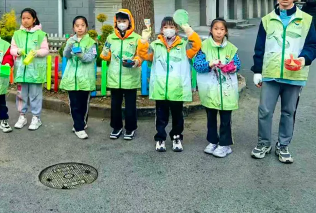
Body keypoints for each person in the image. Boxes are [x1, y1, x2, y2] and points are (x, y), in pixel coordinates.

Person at [251, 0, 316, 164]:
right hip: (271, 73)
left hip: (295, 74)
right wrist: (257, 70)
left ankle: (283, 146)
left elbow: (313, 45)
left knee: (289, 112)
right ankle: (263, 143)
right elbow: (259, 47)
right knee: (265, 111)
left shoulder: (306, 19)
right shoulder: (267, 20)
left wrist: (303, 59)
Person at [138, 16, 201, 153]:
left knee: (178, 115)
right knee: (161, 116)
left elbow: (196, 46)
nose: (168, 30)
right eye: (165, 27)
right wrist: (143, 40)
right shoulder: (155, 45)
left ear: (177, 29)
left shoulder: (184, 45)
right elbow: (143, 54)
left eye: (171, 27)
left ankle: (176, 137)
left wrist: (188, 30)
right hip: (160, 88)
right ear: (161, 30)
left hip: (177, 88)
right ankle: (160, 138)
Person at [192, 18, 241, 158]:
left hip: (227, 90)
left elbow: (237, 64)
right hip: (210, 89)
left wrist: (231, 67)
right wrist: (209, 64)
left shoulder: (231, 48)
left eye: (222, 29)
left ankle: (225, 144)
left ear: (226, 32)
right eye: (216, 29)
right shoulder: (203, 47)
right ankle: (213, 141)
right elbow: (197, 65)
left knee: (225, 118)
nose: (219, 32)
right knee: (211, 117)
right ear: (211, 30)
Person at [100, 9, 142, 140]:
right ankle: (116, 127)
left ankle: (130, 128)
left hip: (130, 77)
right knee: (115, 105)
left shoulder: (137, 38)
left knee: (130, 106)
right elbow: (106, 55)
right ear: (115, 22)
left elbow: (140, 55)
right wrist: (104, 53)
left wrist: (135, 61)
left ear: (130, 22)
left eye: (124, 21)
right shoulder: (110, 37)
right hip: (114, 77)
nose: (121, 23)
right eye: (119, 21)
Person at [10, 8, 49, 131]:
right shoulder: (17, 34)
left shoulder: (41, 34)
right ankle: (22, 116)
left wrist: (36, 52)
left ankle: (36, 117)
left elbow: (45, 50)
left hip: (35, 71)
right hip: (21, 70)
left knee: (35, 95)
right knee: (21, 94)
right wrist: (18, 51)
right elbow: (12, 49)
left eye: (28, 18)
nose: (25, 20)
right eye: (23, 18)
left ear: (34, 19)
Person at [61, 16, 98, 139]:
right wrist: (68, 46)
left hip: (85, 78)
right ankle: (79, 127)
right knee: (74, 104)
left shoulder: (91, 43)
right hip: (72, 78)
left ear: (86, 27)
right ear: (74, 27)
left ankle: (82, 122)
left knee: (83, 104)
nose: (80, 28)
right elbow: (65, 55)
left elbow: (90, 58)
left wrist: (80, 54)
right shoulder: (71, 40)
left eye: (82, 25)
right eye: (77, 26)